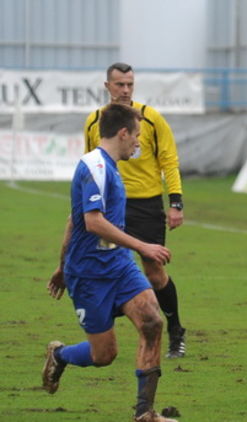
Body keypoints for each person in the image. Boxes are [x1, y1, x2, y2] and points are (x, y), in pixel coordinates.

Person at [44, 103, 177, 422]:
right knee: (104, 355)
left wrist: (62, 264)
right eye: (136, 136)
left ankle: (145, 413)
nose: (139, 143)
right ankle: (59, 354)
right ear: (122, 133)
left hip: (119, 266)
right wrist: (144, 246)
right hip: (90, 274)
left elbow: (71, 220)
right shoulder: (95, 167)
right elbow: (91, 222)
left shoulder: (109, 166)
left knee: (152, 322)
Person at [84, 63, 187, 359]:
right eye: (119, 84)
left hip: (147, 205)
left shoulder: (151, 119)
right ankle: (107, 334)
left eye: (130, 84)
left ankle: (176, 330)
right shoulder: (94, 122)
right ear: (107, 86)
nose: (125, 90)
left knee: (153, 271)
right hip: (109, 207)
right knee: (105, 267)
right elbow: (90, 163)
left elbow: (169, 159)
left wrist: (176, 203)